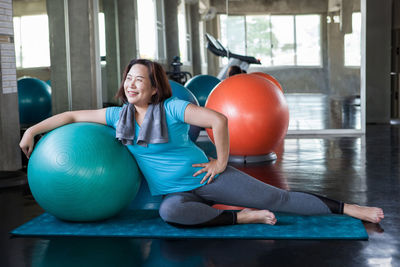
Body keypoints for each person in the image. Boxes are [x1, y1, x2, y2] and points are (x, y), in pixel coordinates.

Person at [20, 59, 384, 227]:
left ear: (154, 86)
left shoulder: (175, 107)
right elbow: (69, 118)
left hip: (208, 178)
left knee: (279, 199)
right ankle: (242, 219)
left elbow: (218, 120)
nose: (131, 85)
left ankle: (350, 209)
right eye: (128, 79)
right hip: (175, 193)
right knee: (171, 214)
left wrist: (220, 163)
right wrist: (32, 130)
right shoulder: (119, 116)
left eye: (139, 80)